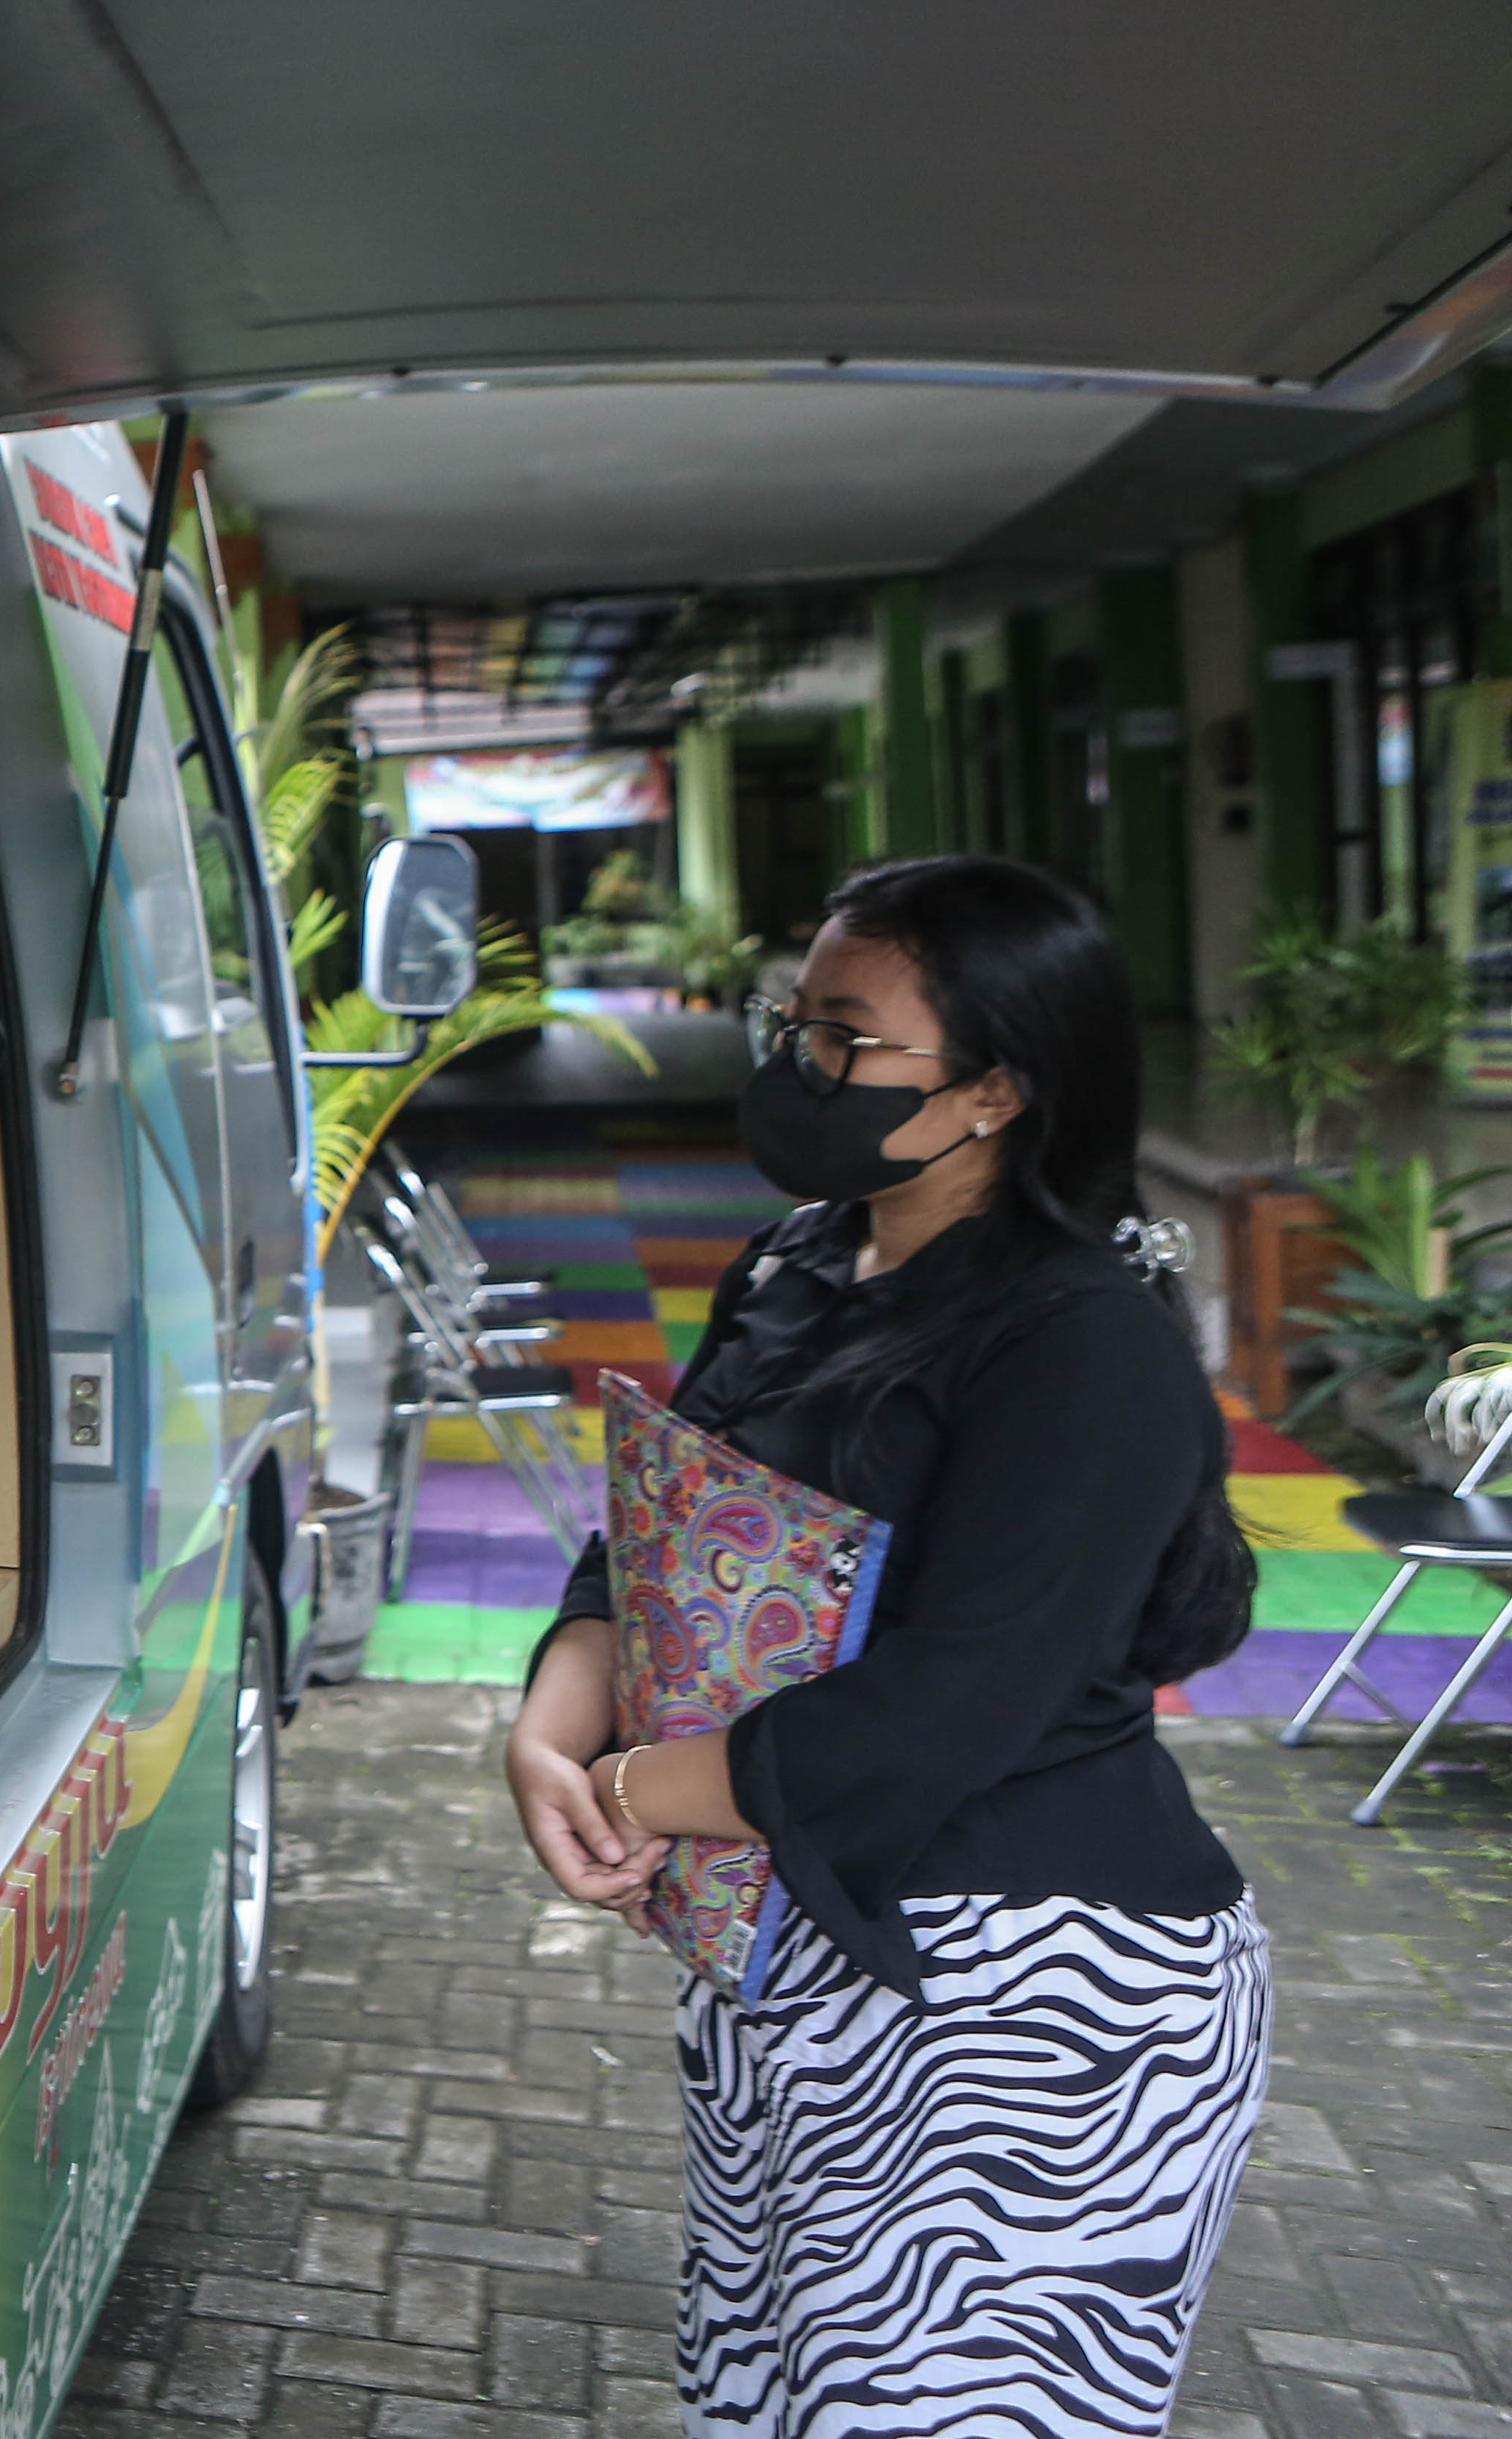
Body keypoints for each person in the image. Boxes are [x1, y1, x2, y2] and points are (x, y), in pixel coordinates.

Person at [500, 855, 1263, 2439]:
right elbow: (657, 1523)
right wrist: (551, 1730)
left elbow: (946, 1711)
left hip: (1028, 1998)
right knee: (765, 2399)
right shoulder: (800, 1260)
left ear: (996, 1089)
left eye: (849, 1039)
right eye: (799, 1020)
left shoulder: (1081, 1346)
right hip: (786, 1957)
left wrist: (633, 1791)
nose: (799, 1068)